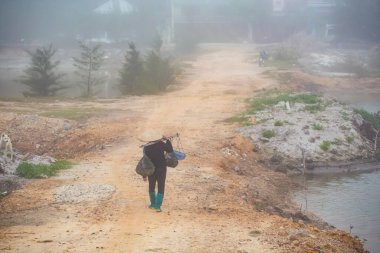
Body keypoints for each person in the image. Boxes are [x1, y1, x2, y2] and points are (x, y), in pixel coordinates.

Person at [142, 135, 173, 212]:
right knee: (161, 186)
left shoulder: (146, 147)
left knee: (151, 185)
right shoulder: (160, 143)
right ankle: (158, 206)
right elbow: (170, 150)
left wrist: (144, 175)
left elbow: (145, 162)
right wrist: (168, 140)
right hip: (161, 169)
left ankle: (152, 204)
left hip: (151, 169)